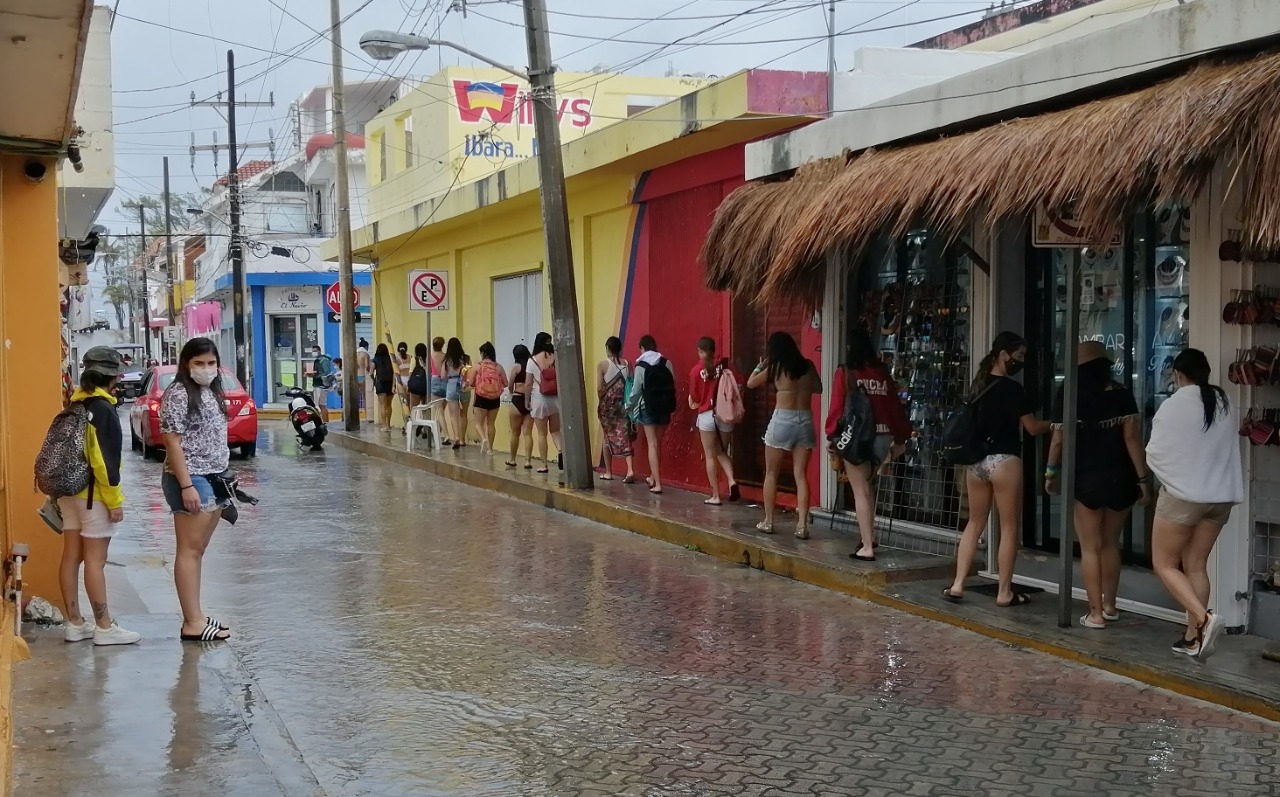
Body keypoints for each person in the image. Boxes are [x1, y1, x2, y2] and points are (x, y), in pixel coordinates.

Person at [1044, 341, 1151, 629]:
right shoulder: (1122, 394)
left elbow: (1058, 440)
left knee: (1090, 547)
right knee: (1110, 544)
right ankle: (1110, 605)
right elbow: (1132, 439)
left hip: (1086, 479)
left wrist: (1050, 474)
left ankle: (1095, 614)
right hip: (1121, 478)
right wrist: (1143, 479)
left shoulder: (1069, 393)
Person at [1146, 348, 1242, 660]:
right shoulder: (1224, 401)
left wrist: (1172, 481)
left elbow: (1155, 452)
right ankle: (1193, 638)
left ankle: (1204, 619)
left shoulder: (1174, 404)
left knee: (1164, 564)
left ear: (1178, 374)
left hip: (1184, 497)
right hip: (1220, 498)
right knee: (1197, 565)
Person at [944, 331, 1050, 606]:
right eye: (1020, 356)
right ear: (1004, 354)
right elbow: (1031, 427)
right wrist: (1057, 424)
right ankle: (1004, 592)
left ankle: (957, 584)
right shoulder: (1013, 390)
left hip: (976, 462)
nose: (1021, 361)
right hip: (1004, 461)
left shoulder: (977, 385)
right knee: (1009, 527)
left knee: (974, 523)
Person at [58, 347, 140, 646]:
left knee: (70, 557)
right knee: (95, 561)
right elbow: (104, 460)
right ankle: (104, 626)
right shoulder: (104, 410)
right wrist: (115, 501)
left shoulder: (73, 405)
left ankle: (74, 623)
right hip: (92, 495)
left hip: (66, 493)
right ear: (114, 377)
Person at [159, 338, 233, 642]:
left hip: (215, 476)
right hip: (191, 479)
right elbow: (172, 441)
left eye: (211, 363)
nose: (206, 369)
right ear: (187, 364)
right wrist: (187, 485)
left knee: (198, 550)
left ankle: (197, 616)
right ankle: (192, 622)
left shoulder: (212, 392)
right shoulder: (177, 394)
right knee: (189, 551)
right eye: (199, 363)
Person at [824, 329, 911, 561]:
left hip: (857, 439)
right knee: (867, 487)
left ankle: (867, 548)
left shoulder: (845, 372)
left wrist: (832, 436)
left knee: (860, 490)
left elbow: (837, 407)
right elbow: (894, 406)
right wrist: (901, 439)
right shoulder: (882, 372)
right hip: (883, 438)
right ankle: (868, 537)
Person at [747, 331, 822, 537]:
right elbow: (819, 388)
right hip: (805, 420)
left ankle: (769, 521)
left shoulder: (776, 367)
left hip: (782, 420)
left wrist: (760, 365)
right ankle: (802, 526)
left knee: (771, 473)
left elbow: (750, 383)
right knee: (800, 475)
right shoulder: (808, 366)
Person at [688, 336, 739, 504]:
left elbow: (695, 397)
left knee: (710, 456)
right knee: (721, 452)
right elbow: (739, 383)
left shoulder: (696, 370)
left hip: (707, 415)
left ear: (700, 351)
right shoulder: (725, 365)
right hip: (725, 414)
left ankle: (716, 496)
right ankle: (732, 481)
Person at [628, 335, 677, 494]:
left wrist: (628, 406)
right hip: (664, 406)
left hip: (648, 407)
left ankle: (658, 484)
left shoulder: (640, 365)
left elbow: (636, 391)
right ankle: (653, 477)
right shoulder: (666, 362)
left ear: (642, 348)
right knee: (658, 443)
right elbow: (672, 382)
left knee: (652, 444)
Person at [596, 336, 635, 482]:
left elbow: (599, 388)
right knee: (625, 436)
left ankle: (608, 472)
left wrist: (602, 403)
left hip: (608, 407)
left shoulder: (602, 365)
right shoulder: (627, 364)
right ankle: (630, 470)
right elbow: (631, 384)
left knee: (607, 437)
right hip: (623, 406)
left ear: (608, 348)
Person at [529, 332, 564, 473]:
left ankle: (544, 465)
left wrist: (526, 400)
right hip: (555, 399)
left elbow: (527, 384)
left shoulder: (532, 360)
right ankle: (561, 451)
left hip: (539, 399)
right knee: (555, 430)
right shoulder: (555, 357)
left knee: (542, 434)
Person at [469, 343, 507, 454]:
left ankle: (483, 439)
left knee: (478, 423)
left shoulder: (477, 366)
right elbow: (505, 383)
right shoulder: (498, 367)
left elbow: (471, 383)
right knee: (491, 424)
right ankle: (490, 449)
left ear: (483, 354)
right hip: (495, 399)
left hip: (481, 398)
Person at [506, 344, 535, 468]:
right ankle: (528, 461)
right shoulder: (531, 366)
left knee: (514, 433)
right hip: (530, 400)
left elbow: (510, 385)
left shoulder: (516, 367)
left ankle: (512, 459)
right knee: (528, 433)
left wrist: (512, 393)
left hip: (517, 399)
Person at [443, 338, 467, 450]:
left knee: (453, 415)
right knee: (463, 414)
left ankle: (456, 436)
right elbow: (469, 372)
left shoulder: (447, 360)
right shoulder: (466, 358)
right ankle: (462, 439)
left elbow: (443, 375)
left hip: (452, 385)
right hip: (463, 386)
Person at [372, 343, 396, 431]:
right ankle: (389, 424)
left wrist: (374, 379)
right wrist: (393, 384)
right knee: (389, 405)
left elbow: (371, 371)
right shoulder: (391, 359)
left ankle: (385, 425)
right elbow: (394, 372)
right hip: (390, 383)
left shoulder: (375, 359)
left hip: (380, 383)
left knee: (382, 405)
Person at [310, 344, 334, 424]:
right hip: (318, 385)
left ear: (319, 351)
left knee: (321, 405)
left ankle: (326, 423)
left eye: (315, 351)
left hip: (321, 385)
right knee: (320, 405)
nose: (314, 353)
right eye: (313, 351)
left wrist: (316, 375)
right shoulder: (318, 360)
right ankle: (324, 422)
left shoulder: (323, 360)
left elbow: (327, 372)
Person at [356, 339, 372, 418]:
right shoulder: (365, 354)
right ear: (366, 346)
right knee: (365, 397)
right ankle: (367, 416)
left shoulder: (354, 353)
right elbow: (367, 366)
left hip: (355, 376)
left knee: (355, 398)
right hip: (363, 376)